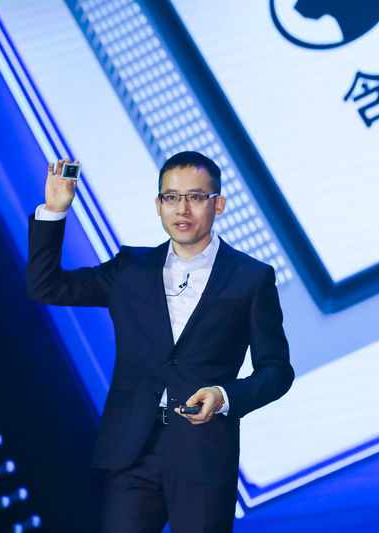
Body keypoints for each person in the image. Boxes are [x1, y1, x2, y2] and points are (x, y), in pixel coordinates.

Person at [26, 151, 294, 532]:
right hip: (134, 449)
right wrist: (54, 211)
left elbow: (277, 371)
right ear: (158, 205)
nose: (182, 208)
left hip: (204, 452)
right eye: (171, 197)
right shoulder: (130, 269)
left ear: (218, 204)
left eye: (196, 197)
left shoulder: (251, 278)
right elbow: (45, 285)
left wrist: (224, 396)